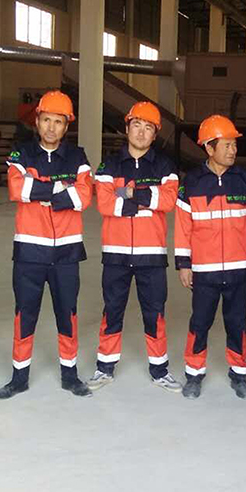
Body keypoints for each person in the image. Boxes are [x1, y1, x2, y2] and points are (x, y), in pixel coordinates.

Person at [0, 91, 94, 401]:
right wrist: (61, 189)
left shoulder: (78, 157)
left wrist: (38, 190)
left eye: (58, 122)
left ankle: (70, 375)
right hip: (29, 252)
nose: (51, 127)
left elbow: (83, 197)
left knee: (68, 314)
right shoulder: (21, 154)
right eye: (46, 120)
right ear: (37, 121)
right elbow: (16, 188)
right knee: (25, 315)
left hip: (67, 253)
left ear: (67, 126)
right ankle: (19, 378)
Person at [90, 101, 181, 392]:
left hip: (151, 255)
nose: (141, 132)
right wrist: (146, 198)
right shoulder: (109, 164)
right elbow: (104, 204)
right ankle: (104, 367)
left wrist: (127, 193)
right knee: (112, 310)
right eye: (137, 125)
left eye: (148, 128)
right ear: (127, 128)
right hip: (115, 253)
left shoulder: (165, 166)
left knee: (155, 312)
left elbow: (168, 201)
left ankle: (160, 370)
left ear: (155, 134)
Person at [174, 115, 246, 399]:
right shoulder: (192, 183)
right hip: (204, 270)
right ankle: (194, 374)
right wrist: (184, 264)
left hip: (239, 269)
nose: (233, 150)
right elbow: (183, 228)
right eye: (226, 145)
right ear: (209, 148)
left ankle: (239, 374)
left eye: (234, 144)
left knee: (237, 323)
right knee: (200, 323)